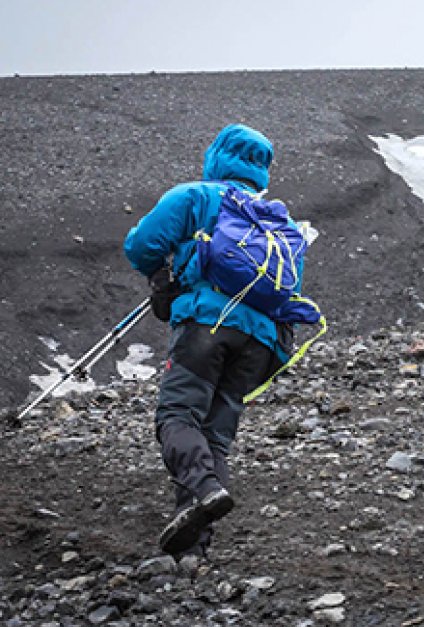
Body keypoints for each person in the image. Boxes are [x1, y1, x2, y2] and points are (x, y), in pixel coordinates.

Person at [124, 124, 300, 559]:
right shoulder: (277, 219)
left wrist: (163, 273)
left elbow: (141, 245)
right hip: (262, 341)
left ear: (217, 156)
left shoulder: (197, 196)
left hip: (207, 324)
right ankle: (193, 544)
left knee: (177, 417)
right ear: (262, 170)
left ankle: (203, 488)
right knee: (215, 435)